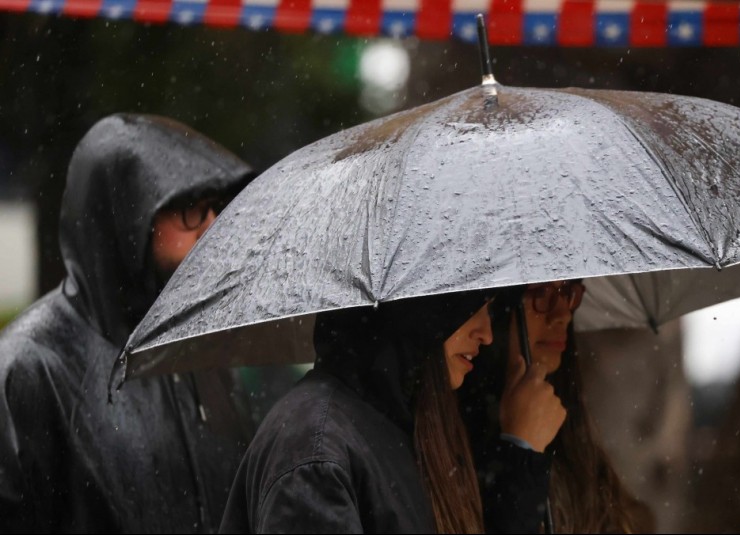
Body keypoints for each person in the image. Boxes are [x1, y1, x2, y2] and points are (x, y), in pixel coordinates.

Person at [0, 114, 255, 533]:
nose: (211, 227)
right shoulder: (30, 367)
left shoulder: (201, 353)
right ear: (126, 217)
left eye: (215, 207)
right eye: (190, 209)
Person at [219, 291, 496, 533]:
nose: (487, 333)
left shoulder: (390, 421)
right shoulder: (316, 451)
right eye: (470, 309)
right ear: (419, 309)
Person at [462, 281, 654, 533]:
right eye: (540, 293)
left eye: (569, 293)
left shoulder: (579, 453)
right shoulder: (452, 447)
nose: (563, 314)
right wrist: (522, 451)